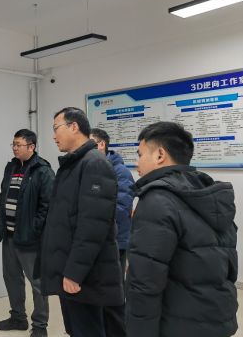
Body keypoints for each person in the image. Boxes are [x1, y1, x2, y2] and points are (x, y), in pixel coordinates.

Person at [126, 121, 238, 337]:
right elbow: (229, 267)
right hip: (218, 317)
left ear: (160, 155)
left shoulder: (157, 200)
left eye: (140, 155)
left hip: (178, 325)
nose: (137, 163)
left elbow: (145, 282)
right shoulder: (211, 194)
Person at [36, 107, 123, 337]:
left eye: (56, 128)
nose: (53, 136)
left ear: (74, 127)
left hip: (85, 274)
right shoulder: (74, 163)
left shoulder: (94, 163)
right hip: (71, 268)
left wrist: (74, 272)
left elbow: (92, 226)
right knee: (75, 330)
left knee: (87, 330)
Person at [0, 129, 55, 337]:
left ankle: (40, 325)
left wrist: (34, 230)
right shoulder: (11, 167)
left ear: (32, 146)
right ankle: (18, 318)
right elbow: (3, 197)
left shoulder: (43, 171)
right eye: (13, 144)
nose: (14, 148)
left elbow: (48, 206)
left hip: (30, 238)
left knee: (37, 284)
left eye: (18, 145)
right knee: (12, 278)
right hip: (9, 235)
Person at [90, 128, 134, 337]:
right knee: (98, 292)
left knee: (114, 294)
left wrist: (92, 220)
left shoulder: (121, 172)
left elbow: (121, 209)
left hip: (116, 241)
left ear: (101, 145)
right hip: (96, 240)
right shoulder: (92, 168)